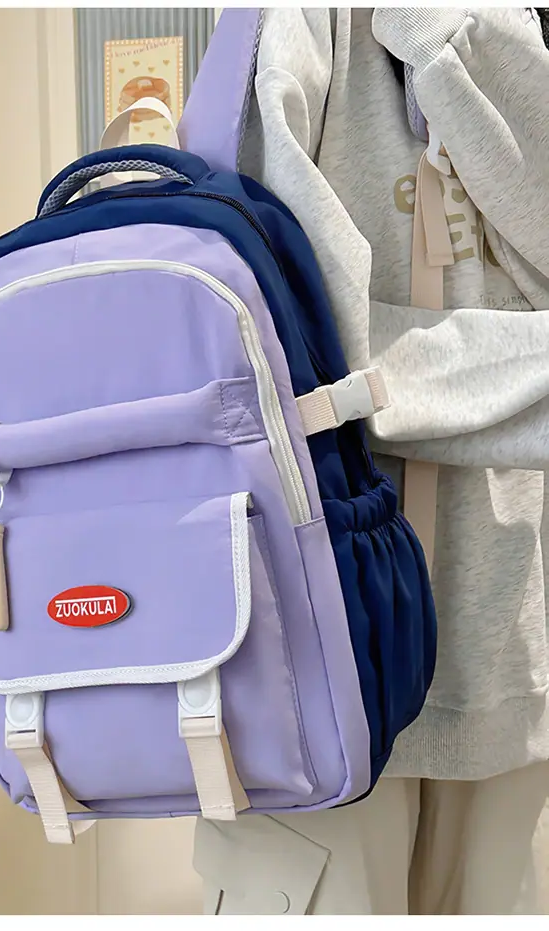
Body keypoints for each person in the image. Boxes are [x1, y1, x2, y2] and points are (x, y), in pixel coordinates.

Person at [193, 8, 549, 915]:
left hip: (502, 647)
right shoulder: (290, 28)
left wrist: (454, 40)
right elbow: (295, 344)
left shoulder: (517, 29)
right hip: (314, 638)